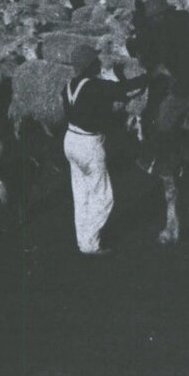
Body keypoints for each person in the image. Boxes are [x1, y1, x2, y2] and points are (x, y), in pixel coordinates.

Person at [62, 48, 129, 255]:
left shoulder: (69, 86)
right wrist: (149, 76)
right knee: (103, 197)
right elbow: (122, 90)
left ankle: (85, 242)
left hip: (70, 140)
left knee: (81, 194)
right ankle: (91, 242)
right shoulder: (95, 85)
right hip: (89, 145)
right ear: (90, 64)